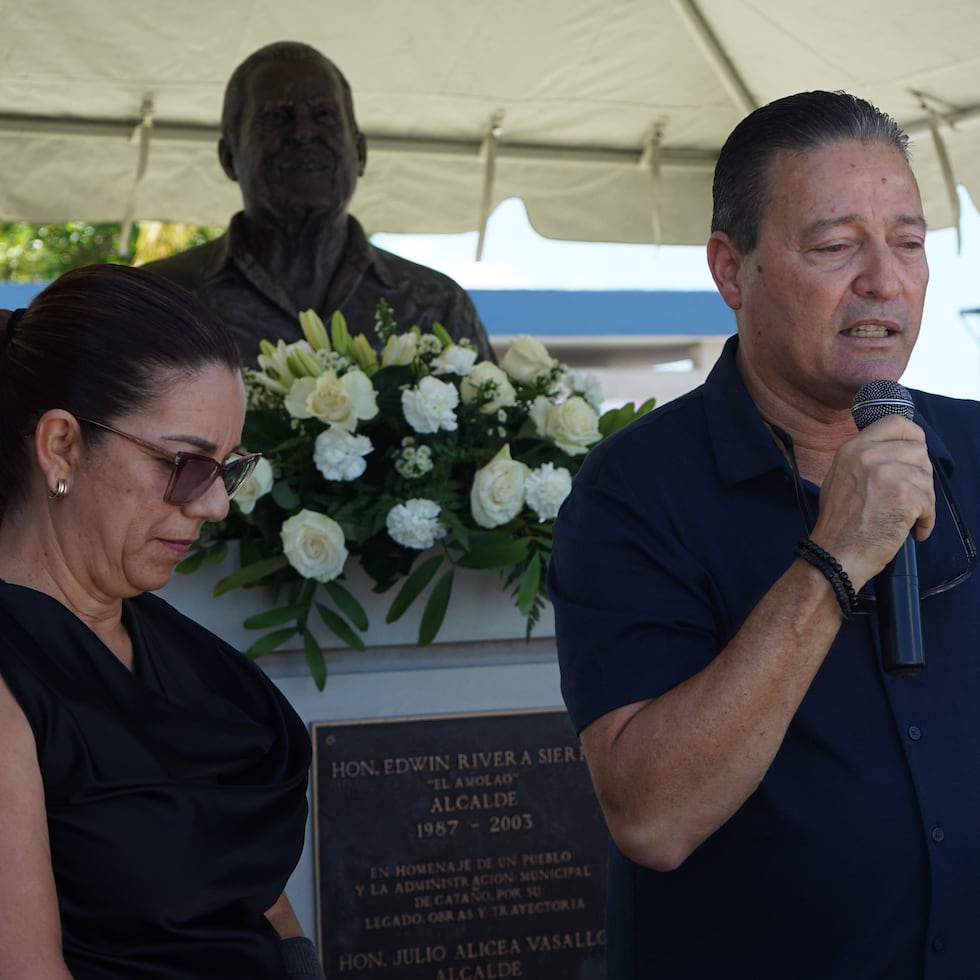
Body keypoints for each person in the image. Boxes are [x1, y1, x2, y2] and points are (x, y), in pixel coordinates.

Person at [548, 89, 980, 977]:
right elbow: (653, 819)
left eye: (908, 242)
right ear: (730, 271)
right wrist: (835, 558)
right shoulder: (632, 491)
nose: (884, 280)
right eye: (834, 246)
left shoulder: (975, 448)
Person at [0, 264, 325, 979]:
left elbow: (256, 900)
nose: (215, 505)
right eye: (185, 464)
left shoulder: (179, 650)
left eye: (227, 468)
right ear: (61, 446)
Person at [144, 40, 494, 365]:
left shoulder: (435, 305)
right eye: (277, 116)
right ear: (228, 158)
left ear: (360, 153)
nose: (302, 133)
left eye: (323, 115)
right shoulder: (158, 303)